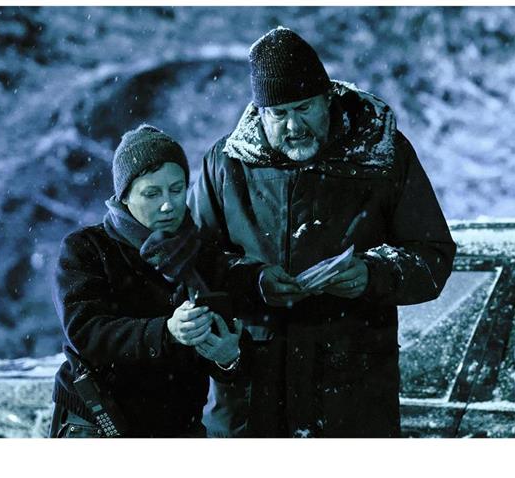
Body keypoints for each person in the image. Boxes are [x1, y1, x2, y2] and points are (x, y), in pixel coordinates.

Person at [189, 27, 457, 437]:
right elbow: (192, 262)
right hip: (251, 393)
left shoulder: (383, 155)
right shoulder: (225, 164)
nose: (293, 126)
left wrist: (373, 274)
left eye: (304, 107)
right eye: (278, 114)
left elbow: (433, 254)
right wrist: (252, 280)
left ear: (328, 98)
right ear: (259, 112)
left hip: (352, 392)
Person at [50, 124, 253, 438]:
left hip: (178, 425)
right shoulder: (86, 248)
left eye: (176, 189)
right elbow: (86, 332)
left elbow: (234, 338)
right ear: (125, 195)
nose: (168, 204)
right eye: (152, 193)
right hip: (97, 423)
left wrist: (229, 356)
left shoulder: (201, 253)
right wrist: (167, 331)